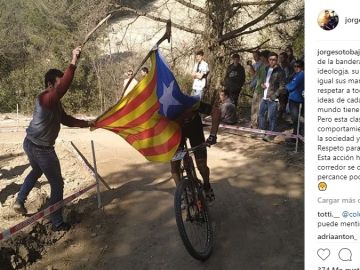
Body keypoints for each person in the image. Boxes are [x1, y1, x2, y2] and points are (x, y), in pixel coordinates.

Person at [13, 46, 94, 231]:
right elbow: (65, 85)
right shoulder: (47, 97)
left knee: (35, 171)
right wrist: (74, 59)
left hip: (31, 143)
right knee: (57, 183)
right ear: (50, 85)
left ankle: (19, 200)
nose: (61, 87)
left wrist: (87, 123)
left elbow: (66, 120)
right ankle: (57, 221)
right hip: (41, 149)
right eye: (58, 83)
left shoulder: (54, 102)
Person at [171, 101, 220, 202]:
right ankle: (182, 194)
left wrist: (213, 135)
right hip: (176, 130)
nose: (185, 117)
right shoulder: (166, 108)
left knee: (202, 165)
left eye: (187, 113)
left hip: (195, 129)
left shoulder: (192, 102)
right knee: (174, 167)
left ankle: (207, 186)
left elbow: (216, 111)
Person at [258, 52, 285, 142]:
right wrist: (262, 84)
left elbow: (282, 86)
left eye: (274, 59)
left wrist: (275, 95)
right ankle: (262, 132)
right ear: (268, 60)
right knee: (261, 114)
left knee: (272, 117)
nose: (272, 61)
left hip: (273, 98)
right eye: (270, 59)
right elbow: (265, 81)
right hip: (265, 96)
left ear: (277, 60)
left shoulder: (280, 71)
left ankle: (271, 135)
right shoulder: (266, 68)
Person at [250, 50, 269, 129]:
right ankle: (254, 124)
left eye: (261, 57)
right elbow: (255, 75)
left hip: (264, 91)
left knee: (261, 110)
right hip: (257, 89)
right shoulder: (261, 65)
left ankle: (262, 125)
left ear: (265, 57)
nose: (260, 58)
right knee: (254, 107)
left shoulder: (269, 67)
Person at [286, 60, 304, 137]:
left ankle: (297, 135)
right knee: (295, 118)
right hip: (293, 98)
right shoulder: (296, 74)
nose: (296, 68)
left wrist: (287, 86)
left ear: (302, 67)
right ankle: (296, 134)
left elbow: (291, 86)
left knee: (296, 118)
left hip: (296, 100)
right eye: (295, 66)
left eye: (298, 66)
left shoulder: (301, 74)